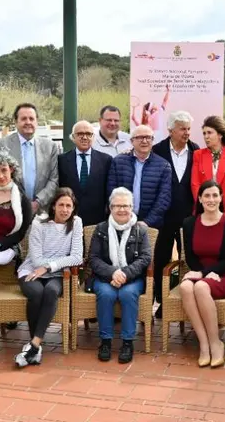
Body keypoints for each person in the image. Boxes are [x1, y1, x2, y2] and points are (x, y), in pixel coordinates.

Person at [15, 188, 83, 367]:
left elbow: (77, 256)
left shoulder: (76, 223)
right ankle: (34, 347)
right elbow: (36, 259)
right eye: (61, 205)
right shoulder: (39, 223)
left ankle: (34, 344)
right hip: (31, 271)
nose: (65, 210)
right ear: (53, 206)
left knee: (51, 291)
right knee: (36, 293)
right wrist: (44, 266)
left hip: (58, 273)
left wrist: (49, 266)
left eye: (69, 206)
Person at [180, 181, 225, 368]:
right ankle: (204, 343)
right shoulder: (189, 223)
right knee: (185, 286)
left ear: (221, 198)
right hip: (200, 272)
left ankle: (216, 342)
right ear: (199, 199)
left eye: (215, 195)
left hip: (224, 275)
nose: (211, 199)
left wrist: (205, 274)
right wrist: (201, 273)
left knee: (200, 286)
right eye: (206, 195)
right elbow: (190, 256)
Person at [88, 187, 152, 364]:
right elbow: (93, 258)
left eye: (126, 205)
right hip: (105, 277)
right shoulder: (101, 229)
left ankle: (127, 342)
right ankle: (106, 341)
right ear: (110, 207)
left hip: (132, 278)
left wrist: (124, 273)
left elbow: (146, 257)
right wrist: (112, 272)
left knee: (127, 294)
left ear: (132, 207)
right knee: (106, 294)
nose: (122, 209)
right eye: (118, 205)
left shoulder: (141, 230)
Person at [151, 111, 200, 317]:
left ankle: (182, 300)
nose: (187, 133)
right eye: (182, 128)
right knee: (160, 259)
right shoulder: (157, 150)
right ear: (170, 130)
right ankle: (161, 301)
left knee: (187, 259)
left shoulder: (196, 151)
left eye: (189, 128)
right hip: (162, 217)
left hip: (188, 217)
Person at [0, 103, 59, 213]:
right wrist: (19, 202)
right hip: (11, 209)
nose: (28, 122)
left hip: (42, 211)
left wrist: (38, 202)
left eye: (31, 119)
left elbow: (54, 180)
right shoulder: (2, 145)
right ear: (16, 121)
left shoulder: (50, 146)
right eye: (24, 119)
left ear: (36, 121)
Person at [107, 125, 172, 229]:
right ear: (132, 141)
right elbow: (111, 192)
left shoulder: (164, 166)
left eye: (148, 137)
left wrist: (147, 222)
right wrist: (123, 217)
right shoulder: (118, 162)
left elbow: (164, 199)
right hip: (122, 221)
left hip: (150, 225)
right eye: (140, 137)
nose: (144, 141)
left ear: (153, 140)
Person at [190, 115, 225, 223]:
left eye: (209, 133)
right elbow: (195, 184)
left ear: (220, 134)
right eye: (204, 133)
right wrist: (206, 208)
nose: (206, 136)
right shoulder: (198, 155)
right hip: (204, 211)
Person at [58, 120, 112, 226]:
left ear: (93, 137)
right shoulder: (61, 160)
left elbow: (108, 189)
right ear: (73, 137)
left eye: (88, 134)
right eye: (80, 134)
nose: (84, 137)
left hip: (98, 219)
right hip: (69, 218)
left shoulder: (106, 160)